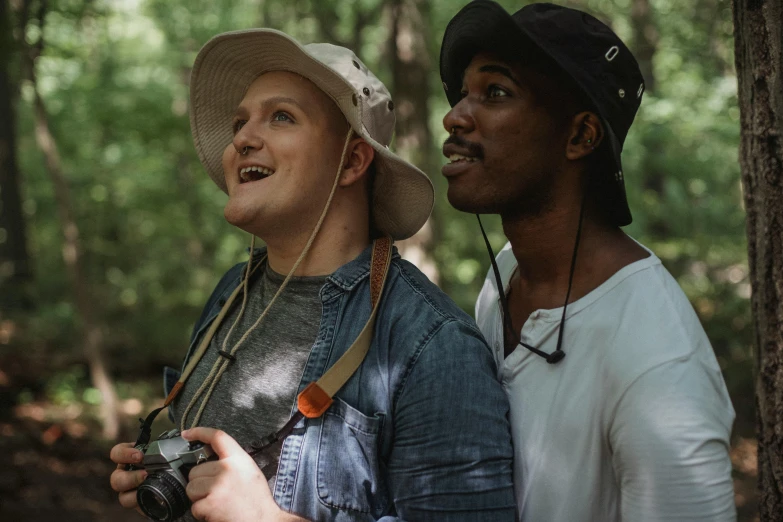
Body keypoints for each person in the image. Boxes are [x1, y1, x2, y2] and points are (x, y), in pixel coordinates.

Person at [109, 29, 515, 521]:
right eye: (240, 121)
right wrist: (163, 479)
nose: (242, 138)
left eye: (281, 117)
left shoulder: (432, 346)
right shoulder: (232, 294)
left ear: (352, 160)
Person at [439, 2, 736, 521]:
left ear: (580, 136)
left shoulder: (657, 357)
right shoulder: (506, 275)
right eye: (465, 92)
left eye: (496, 93)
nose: (455, 115)